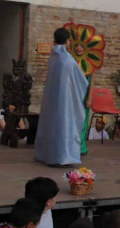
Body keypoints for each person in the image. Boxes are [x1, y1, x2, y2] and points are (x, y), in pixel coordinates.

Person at [34, 28, 88, 166]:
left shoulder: (54, 57)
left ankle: (49, 154)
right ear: (68, 41)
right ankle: (63, 155)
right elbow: (81, 81)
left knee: (52, 125)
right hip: (65, 100)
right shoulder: (68, 60)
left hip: (53, 99)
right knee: (64, 125)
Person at [73, 43, 95, 156]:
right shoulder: (70, 60)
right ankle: (71, 146)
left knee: (83, 119)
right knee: (72, 120)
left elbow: (91, 81)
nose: (79, 48)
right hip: (73, 93)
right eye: (77, 46)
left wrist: (90, 98)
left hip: (85, 94)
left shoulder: (89, 62)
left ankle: (80, 147)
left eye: (81, 46)